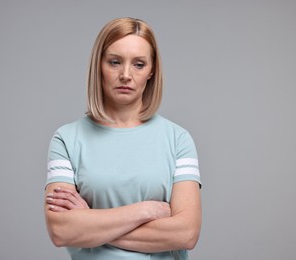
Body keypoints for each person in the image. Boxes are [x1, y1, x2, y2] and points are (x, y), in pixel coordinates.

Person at [44, 17, 202, 260]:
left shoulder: (178, 140)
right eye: (115, 62)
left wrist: (90, 223)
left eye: (139, 64)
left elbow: (186, 234)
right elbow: (61, 230)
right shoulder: (66, 139)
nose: (126, 75)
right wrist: (147, 210)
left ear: (152, 71)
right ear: (99, 65)